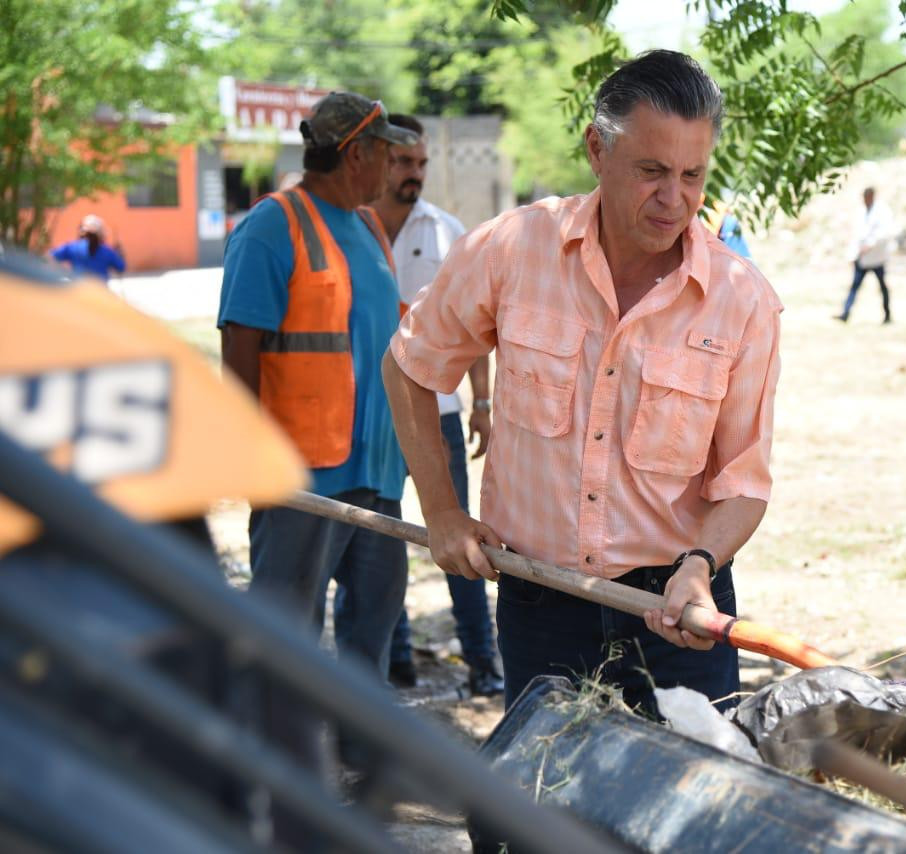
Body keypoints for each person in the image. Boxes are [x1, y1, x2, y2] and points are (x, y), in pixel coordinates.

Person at [383, 50, 783, 716]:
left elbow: (744, 483)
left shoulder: (742, 300)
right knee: (540, 805)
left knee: (691, 807)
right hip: (541, 599)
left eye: (693, 175)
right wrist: (443, 511)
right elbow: (411, 364)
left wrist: (699, 567)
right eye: (652, 171)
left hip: (676, 607)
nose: (674, 199)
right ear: (597, 149)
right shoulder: (511, 248)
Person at [217, 92, 418, 687]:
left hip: (378, 476)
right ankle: (275, 766)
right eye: (387, 153)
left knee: (372, 633)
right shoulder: (272, 226)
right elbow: (240, 348)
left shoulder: (369, 228)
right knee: (287, 640)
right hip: (302, 478)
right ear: (357, 153)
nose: (392, 168)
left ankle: (365, 764)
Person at [335, 112, 504, 696]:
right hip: (371, 416)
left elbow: (477, 326)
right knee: (381, 540)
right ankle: (397, 660)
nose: (414, 174)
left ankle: (484, 662)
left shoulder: (448, 231)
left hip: (443, 415)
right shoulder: (349, 230)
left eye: (422, 164)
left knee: (458, 536)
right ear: (382, 162)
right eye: (403, 162)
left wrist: (482, 400)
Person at [836, 187, 895, 324]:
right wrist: (853, 254)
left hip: (877, 257)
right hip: (862, 258)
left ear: (872, 196)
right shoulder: (861, 212)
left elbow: (884, 233)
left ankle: (887, 315)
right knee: (854, 286)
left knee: (882, 287)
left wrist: (869, 245)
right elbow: (857, 235)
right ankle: (845, 313)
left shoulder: (882, 211)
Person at [50, 214, 126, 281]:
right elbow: (121, 267)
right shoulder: (107, 251)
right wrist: (119, 253)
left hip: (77, 292)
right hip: (100, 293)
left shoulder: (71, 247)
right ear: (100, 234)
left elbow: (50, 257)